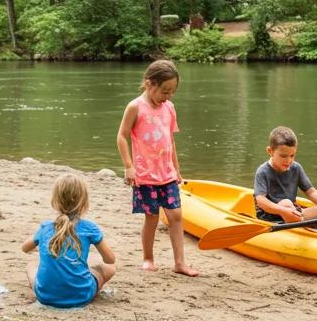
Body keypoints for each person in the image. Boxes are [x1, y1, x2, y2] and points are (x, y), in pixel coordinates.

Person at [116, 59, 198, 276]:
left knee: (176, 215)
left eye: (172, 91)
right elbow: (122, 137)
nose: (168, 96)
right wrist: (128, 166)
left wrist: (176, 168)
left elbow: (170, 140)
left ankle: (179, 263)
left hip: (167, 172)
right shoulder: (135, 107)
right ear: (149, 83)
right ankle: (148, 257)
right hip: (145, 174)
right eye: (164, 91)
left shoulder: (169, 108)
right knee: (151, 217)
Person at [22, 174, 116, 307]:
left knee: (31, 266)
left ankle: (45, 286)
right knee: (109, 268)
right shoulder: (90, 228)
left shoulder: (46, 227)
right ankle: (85, 288)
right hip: (81, 296)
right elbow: (110, 260)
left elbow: (25, 248)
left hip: (45, 296)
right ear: (84, 202)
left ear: (55, 201)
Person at [254, 126, 317, 225]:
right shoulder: (262, 172)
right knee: (286, 203)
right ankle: (305, 227)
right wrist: (283, 210)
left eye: (292, 155)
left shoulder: (296, 168)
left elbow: (311, 192)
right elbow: (261, 201)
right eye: (283, 156)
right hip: (271, 217)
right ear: (270, 151)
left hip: (294, 213)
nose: (288, 160)